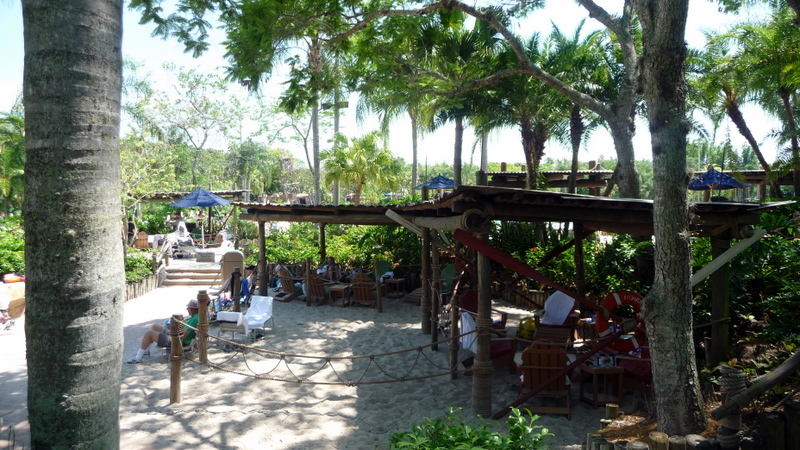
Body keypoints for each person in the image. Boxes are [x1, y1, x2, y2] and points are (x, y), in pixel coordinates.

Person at [126, 299, 200, 364]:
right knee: (154, 326)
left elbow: (183, 335)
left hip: (177, 341)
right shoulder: (194, 317)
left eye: (188, 308)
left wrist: (171, 332)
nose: (187, 309)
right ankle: (146, 351)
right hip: (175, 336)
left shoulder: (194, 319)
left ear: (192, 309)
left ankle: (138, 358)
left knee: (149, 333)